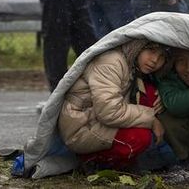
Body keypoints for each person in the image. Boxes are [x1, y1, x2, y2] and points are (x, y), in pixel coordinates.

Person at [58, 39, 177, 173]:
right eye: (151, 51)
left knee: (150, 97)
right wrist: (151, 119)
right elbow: (109, 112)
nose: (155, 60)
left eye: (162, 57)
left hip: (95, 118)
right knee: (140, 137)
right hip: (81, 126)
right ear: (138, 46)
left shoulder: (132, 63)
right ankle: (93, 161)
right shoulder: (111, 62)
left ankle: (142, 158)